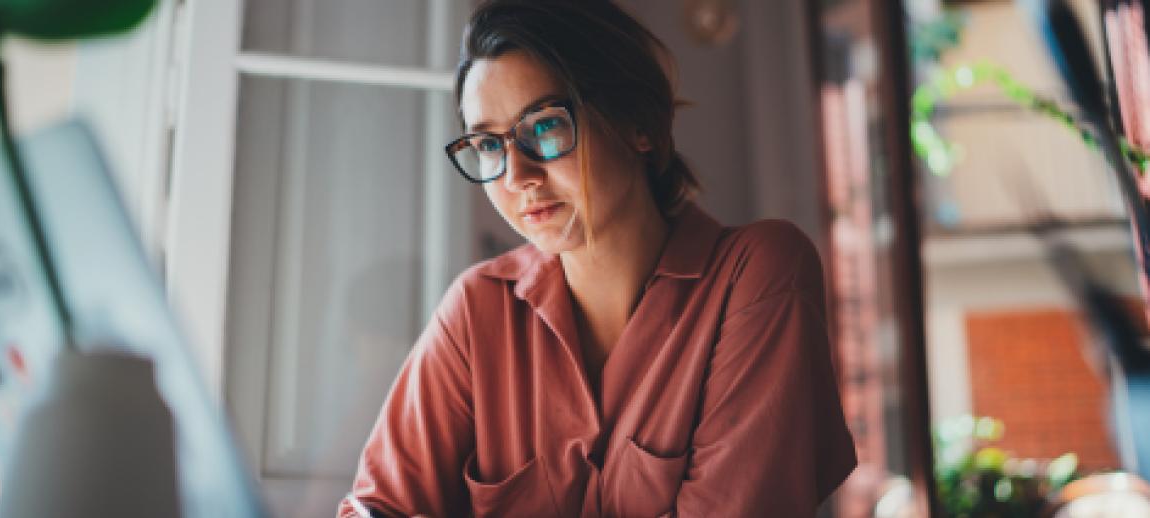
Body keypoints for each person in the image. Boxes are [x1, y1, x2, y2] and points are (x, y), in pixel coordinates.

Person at [339, 1, 856, 516]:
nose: (517, 176)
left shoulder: (757, 274)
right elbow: (377, 506)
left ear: (638, 123)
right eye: (488, 145)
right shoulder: (476, 312)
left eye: (544, 127)